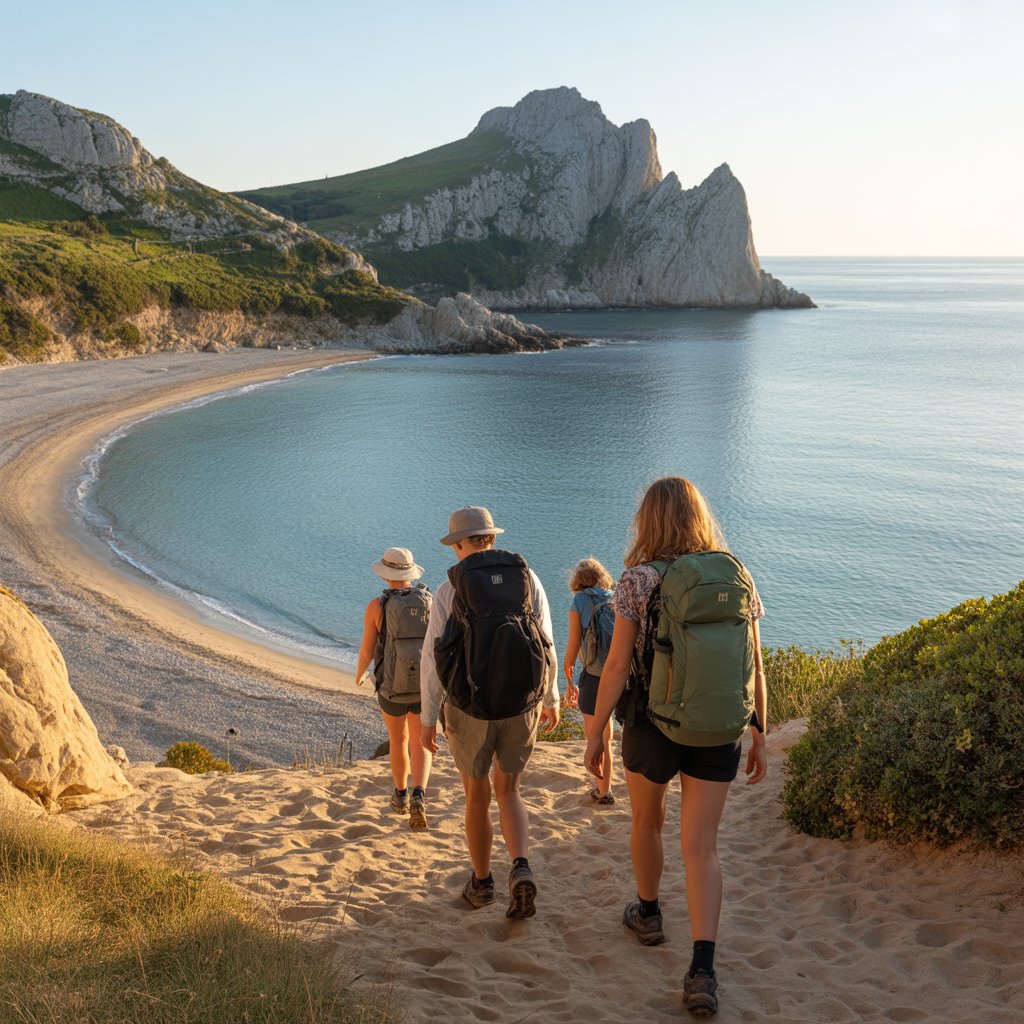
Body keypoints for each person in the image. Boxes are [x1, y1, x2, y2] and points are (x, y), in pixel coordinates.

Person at [584, 476, 768, 1018]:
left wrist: (594, 734)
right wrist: (758, 729)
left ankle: (647, 914)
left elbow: (616, 665)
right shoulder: (736, 575)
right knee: (703, 847)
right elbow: (754, 662)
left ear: (649, 520)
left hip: (652, 724)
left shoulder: (637, 580)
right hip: (719, 727)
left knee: (646, 823)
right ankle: (703, 968)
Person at [420, 505, 560, 920]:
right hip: (521, 704)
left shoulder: (450, 589)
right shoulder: (525, 578)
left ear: (459, 545)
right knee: (510, 791)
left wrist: (429, 717)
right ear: (492, 539)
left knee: (477, 796)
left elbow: (433, 659)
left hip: (470, 709)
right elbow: (546, 641)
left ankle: (482, 883)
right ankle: (520, 866)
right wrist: (549, 698)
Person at [355, 546, 433, 830]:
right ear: (411, 574)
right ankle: (419, 796)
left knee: (398, 740)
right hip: (424, 688)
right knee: (421, 742)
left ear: (386, 575)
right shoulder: (429, 601)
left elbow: (366, 651)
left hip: (391, 687)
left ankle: (400, 796)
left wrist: (359, 673)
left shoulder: (377, 606)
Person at [563, 558, 616, 804]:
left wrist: (569, 678)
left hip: (594, 676)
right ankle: (605, 788)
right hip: (619, 674)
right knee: (608, 735)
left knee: (596, 736)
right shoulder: (615, 597)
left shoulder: (579, 601)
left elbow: (574, 644)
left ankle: (602, 790)